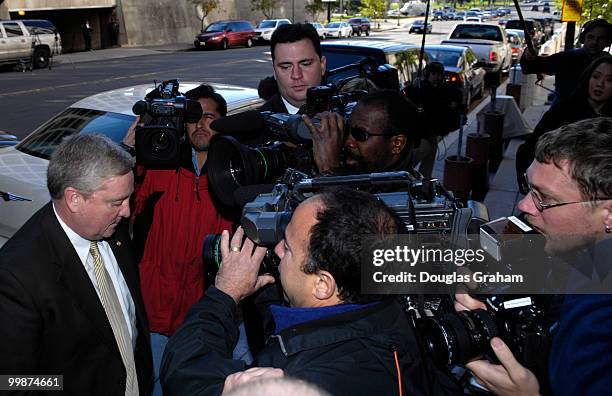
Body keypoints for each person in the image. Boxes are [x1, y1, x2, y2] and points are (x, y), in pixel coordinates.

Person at [161, 188, 459, 395]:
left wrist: (225, 293)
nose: (275, 250)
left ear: (323, 284)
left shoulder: (301, 381)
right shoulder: (394, 315)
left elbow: (189, 377)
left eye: (288, 248)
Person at [455, 118, 612, 396]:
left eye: (544, 199)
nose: (524, 205)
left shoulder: (599, 314)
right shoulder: (580, 254)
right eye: (528, 187)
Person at [0, 134, 153, 395]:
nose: (127, 211)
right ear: (74, 199)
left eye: (128, 199)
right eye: (117, 203)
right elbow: (13, 382)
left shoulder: (110, 227)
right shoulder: (16, 277)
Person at [124, 84, 235, 394]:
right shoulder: (157, 164)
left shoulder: (235, 172)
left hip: (202, 317)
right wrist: (128, 152)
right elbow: (119, 209)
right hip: (153, 311)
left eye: (209, 117)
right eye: (192, 117)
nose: (200, 125)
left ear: (223, 122)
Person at [516, 55, 612, 192]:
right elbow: (533, 145)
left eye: (609, 80)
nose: (600, 84)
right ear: (588, 78)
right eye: (596, 76)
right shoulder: (564, 110)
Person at [305, 89, 421, 176]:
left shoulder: (405, 198)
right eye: (346, 131)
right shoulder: (368, 179)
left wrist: (329, 170)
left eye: (360, 134)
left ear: (397, 144)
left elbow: (346, 208)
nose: (348, 142)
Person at [520, 18, 612, 104]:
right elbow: (529, 67)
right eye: (591, 37)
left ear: (608, 42)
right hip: (562, 115)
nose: (594, 42)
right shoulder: (567, 58)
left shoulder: (609, 64)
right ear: (583, 39)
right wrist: (528, 57)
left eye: (600, 39)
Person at [404, 62, 465, 177]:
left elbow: (456, 94)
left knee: (430, 158)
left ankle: (424, 184)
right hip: (421, 132)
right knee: (424, 149)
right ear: (428, 74)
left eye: (439, 74)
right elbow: (407, 99)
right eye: (433, 74)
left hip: (434, 131)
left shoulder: (443, 89)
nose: (437, 77)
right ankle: (405, 171)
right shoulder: (421, 87)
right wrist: (413, 87)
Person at [261, 23, 326, 114]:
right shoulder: (258, 125)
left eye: (305, 64)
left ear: (322, 65)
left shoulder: (347, 114)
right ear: (274, 71)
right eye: (286, 67)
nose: (296, 75)